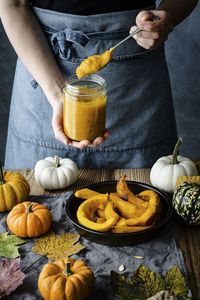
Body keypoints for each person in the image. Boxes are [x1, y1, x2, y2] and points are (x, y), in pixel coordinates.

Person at [1, 0, 198, 169]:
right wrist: (58, 95)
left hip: (138, 90)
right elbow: (13, 3)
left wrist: (167, 16)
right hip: (42, 69)